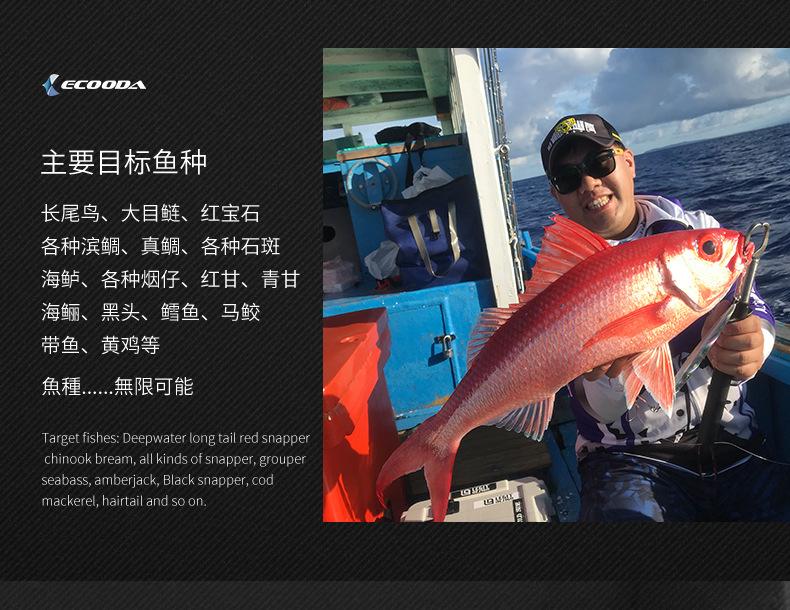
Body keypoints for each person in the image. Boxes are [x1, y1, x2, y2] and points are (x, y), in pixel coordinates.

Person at [539, 113, 789, 521]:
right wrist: (610, 376)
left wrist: (753, 342)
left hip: (733, 442)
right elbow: (599, 411)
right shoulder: (561, 283)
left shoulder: (698, 231)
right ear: (556, 195)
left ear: (628, 162)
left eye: (600, 163)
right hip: (625, 459)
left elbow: (753, 303)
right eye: (568, 179)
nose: (589, 183)